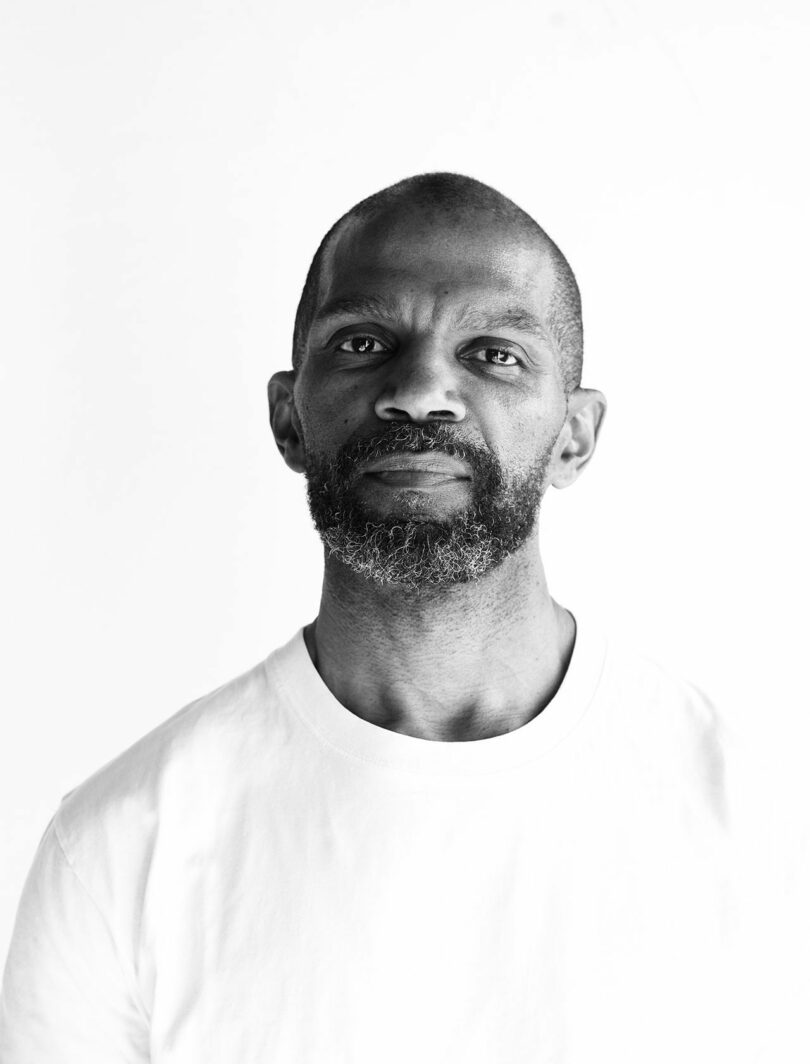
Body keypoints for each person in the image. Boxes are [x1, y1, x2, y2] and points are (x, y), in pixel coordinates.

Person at [0, 172, 773, 1061]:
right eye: (365, 341)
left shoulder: (762, 822)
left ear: (575, 435)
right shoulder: (115, 850)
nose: (421, 392)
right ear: (289, 420)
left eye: (494, 352)